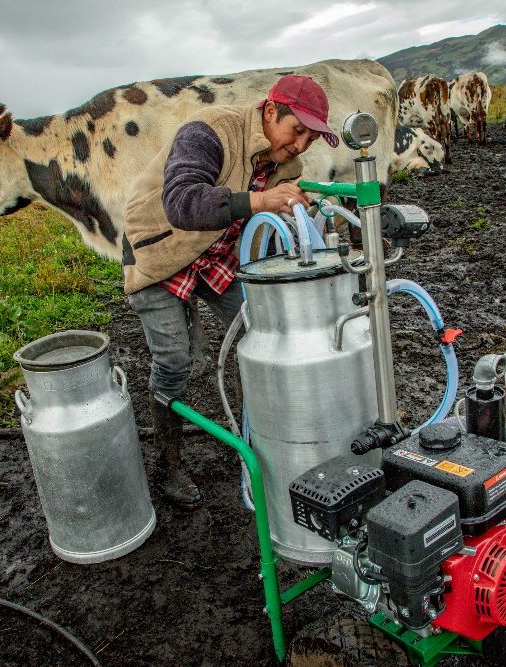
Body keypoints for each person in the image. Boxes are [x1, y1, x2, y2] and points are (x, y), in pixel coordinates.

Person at [121, 74, 339, 508]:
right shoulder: (210, 131)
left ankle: (256, 444)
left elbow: (284, 224)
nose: (299, 146)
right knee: (175, 359)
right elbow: (181, 202)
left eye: (310, 139)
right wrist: (260, 202)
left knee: (259, 334)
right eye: (297, 131)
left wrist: (305, 215)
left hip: (219, 256)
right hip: (160, 250)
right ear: (271, 111)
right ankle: (168, 467)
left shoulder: (287, 165)